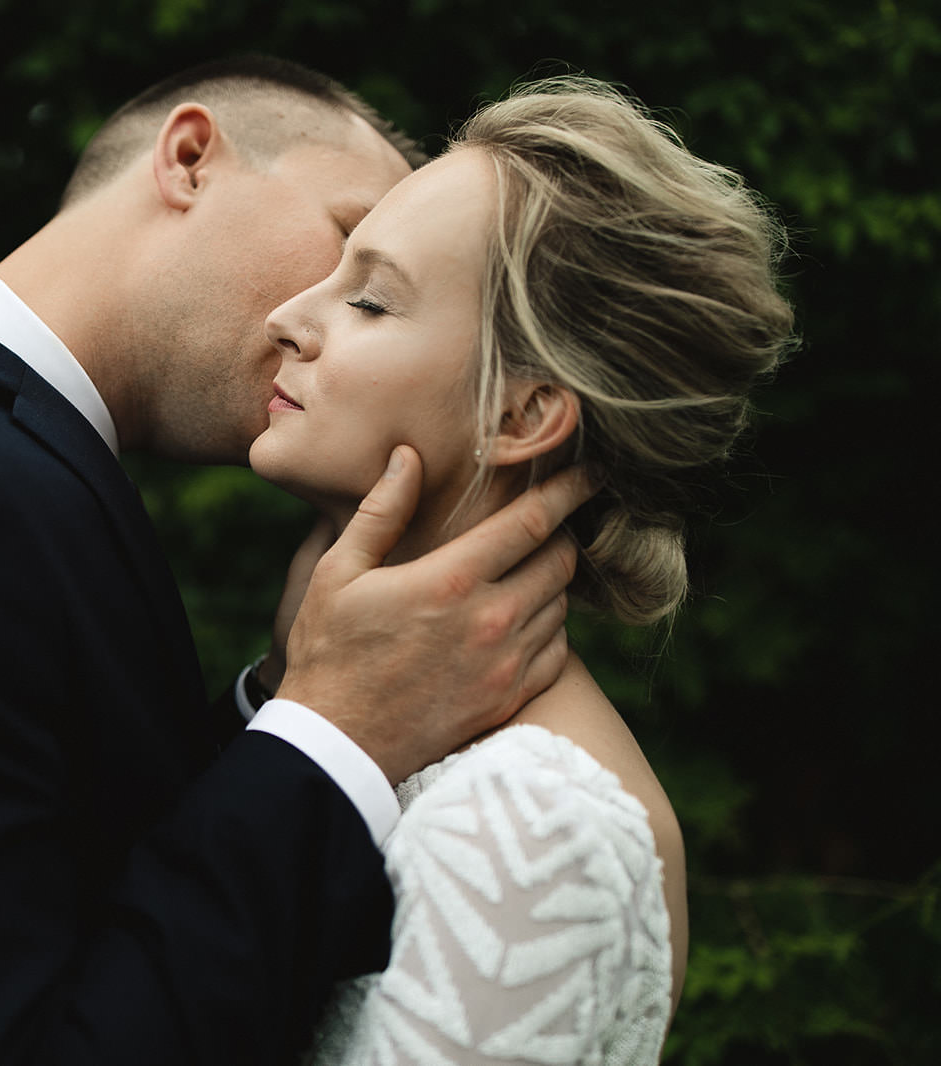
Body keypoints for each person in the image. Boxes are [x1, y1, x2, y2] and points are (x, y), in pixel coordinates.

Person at [0, 57, 593, 1065]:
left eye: (374, 295)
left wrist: (286, 695)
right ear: (190, 158)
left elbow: (84, 894)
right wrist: (333, 732)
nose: (323, 320)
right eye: (347, 243)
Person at [239, 77, 794, 1064]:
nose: (288, 314)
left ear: (522, 415)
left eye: (369, 297)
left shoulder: (534, 820)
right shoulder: (346, 708)